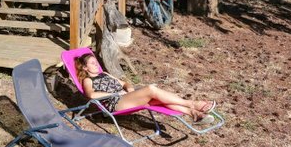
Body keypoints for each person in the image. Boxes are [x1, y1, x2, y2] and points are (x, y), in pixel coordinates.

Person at [74, 53, 216, 122]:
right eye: (92, 63)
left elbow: (124, 83)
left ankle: (193, 113)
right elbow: (91, 95)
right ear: (85, 68)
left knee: (160, 99)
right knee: (151, 89)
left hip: (126, 97)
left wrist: (129, 88)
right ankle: (193, 103)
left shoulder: (104, 74)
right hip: (115, 103)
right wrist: (116, 94)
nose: (96, 64)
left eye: (96, 62)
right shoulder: (88, 80)